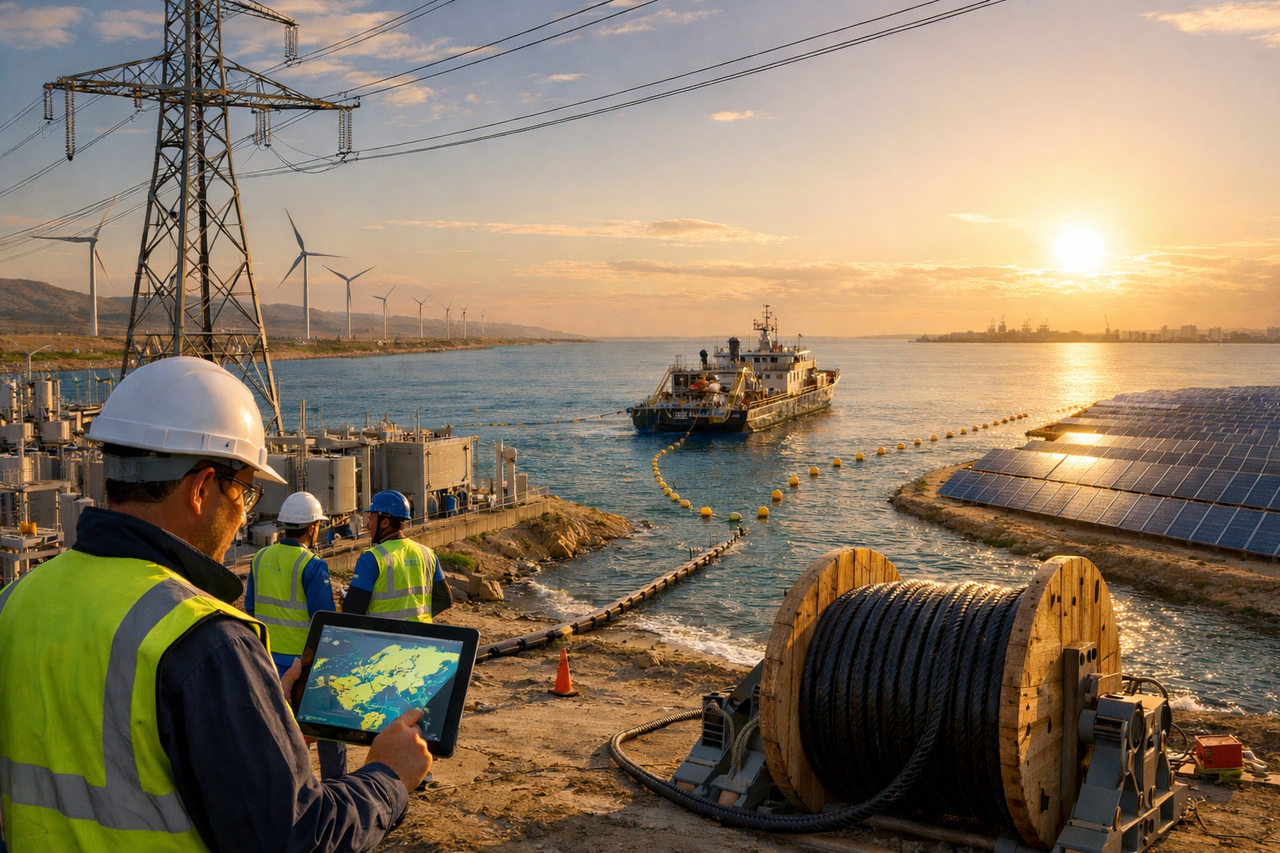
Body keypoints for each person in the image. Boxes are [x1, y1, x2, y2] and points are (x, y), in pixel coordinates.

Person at [0, 357, 428, 852]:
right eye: (244, 491)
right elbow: (298, 839)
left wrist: (266, 723)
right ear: (202, 488)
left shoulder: (15, 602)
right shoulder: (202, 640)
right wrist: (387, 776)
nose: (244, 513)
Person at [245, 490, 347, 780]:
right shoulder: (312, 565)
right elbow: (323, 618)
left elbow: (250, 608)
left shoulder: (260, 557)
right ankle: (335, 784)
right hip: (304, 663)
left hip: (267, 660)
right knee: (326, 724)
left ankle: (285, 784)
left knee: (278, 729)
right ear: (313, 527)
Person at [343, 490, 452, 622]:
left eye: (371, 519)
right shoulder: (428, 554)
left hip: (384, 640)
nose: (367, 525)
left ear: (384, 522)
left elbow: (352, 612)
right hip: (420, 639)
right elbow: (445, 599)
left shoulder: (371, 558)